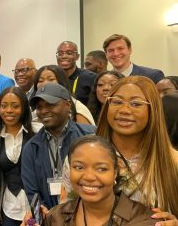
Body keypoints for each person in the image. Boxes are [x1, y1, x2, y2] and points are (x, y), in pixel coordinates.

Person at [62, 76, 178, 223]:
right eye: (117, 102)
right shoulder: (83, 153)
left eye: (136, 104)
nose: (124, 110)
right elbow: (66, 211)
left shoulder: (173, 161)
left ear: (153, 109)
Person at [45, 135, 159, 225]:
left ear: (115, 172)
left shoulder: (143, 220)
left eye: (101, 169)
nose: (89, 177)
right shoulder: (56, 217)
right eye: (79, 167)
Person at [21, 83, 95, 212]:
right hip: (50, 217)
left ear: (68, 105)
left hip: (88, 213)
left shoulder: (90, 136)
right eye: (39, 107)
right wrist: (46, 213)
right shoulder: (31, 148)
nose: (43, 111)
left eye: (50, 105)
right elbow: (32, 192)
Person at [0, 87, 35, 225]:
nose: (9, 111)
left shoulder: (36, 132)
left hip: (36, 207)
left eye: (15, 106)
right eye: (4, 106)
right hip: (9, 209)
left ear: (24, 108)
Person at [56, 41, 97, 105]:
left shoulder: (91, 78)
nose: (64, 56)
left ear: (77, 56)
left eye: (69, 53)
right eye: (60, 53)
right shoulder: (53, 78)